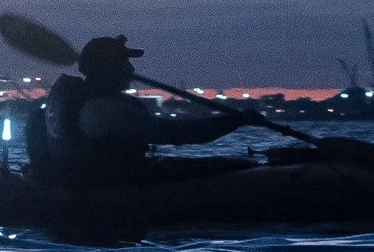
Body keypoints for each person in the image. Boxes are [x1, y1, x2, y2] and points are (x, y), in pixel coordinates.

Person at [34, 34, 247, 183]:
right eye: (123, 62)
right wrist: (236, 120)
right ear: (107, 69)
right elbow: (181, 134)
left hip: (75, 178)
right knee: (238, 164)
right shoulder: (107, 110)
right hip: (107, 185)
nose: (131, 68)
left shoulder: (69, 99)